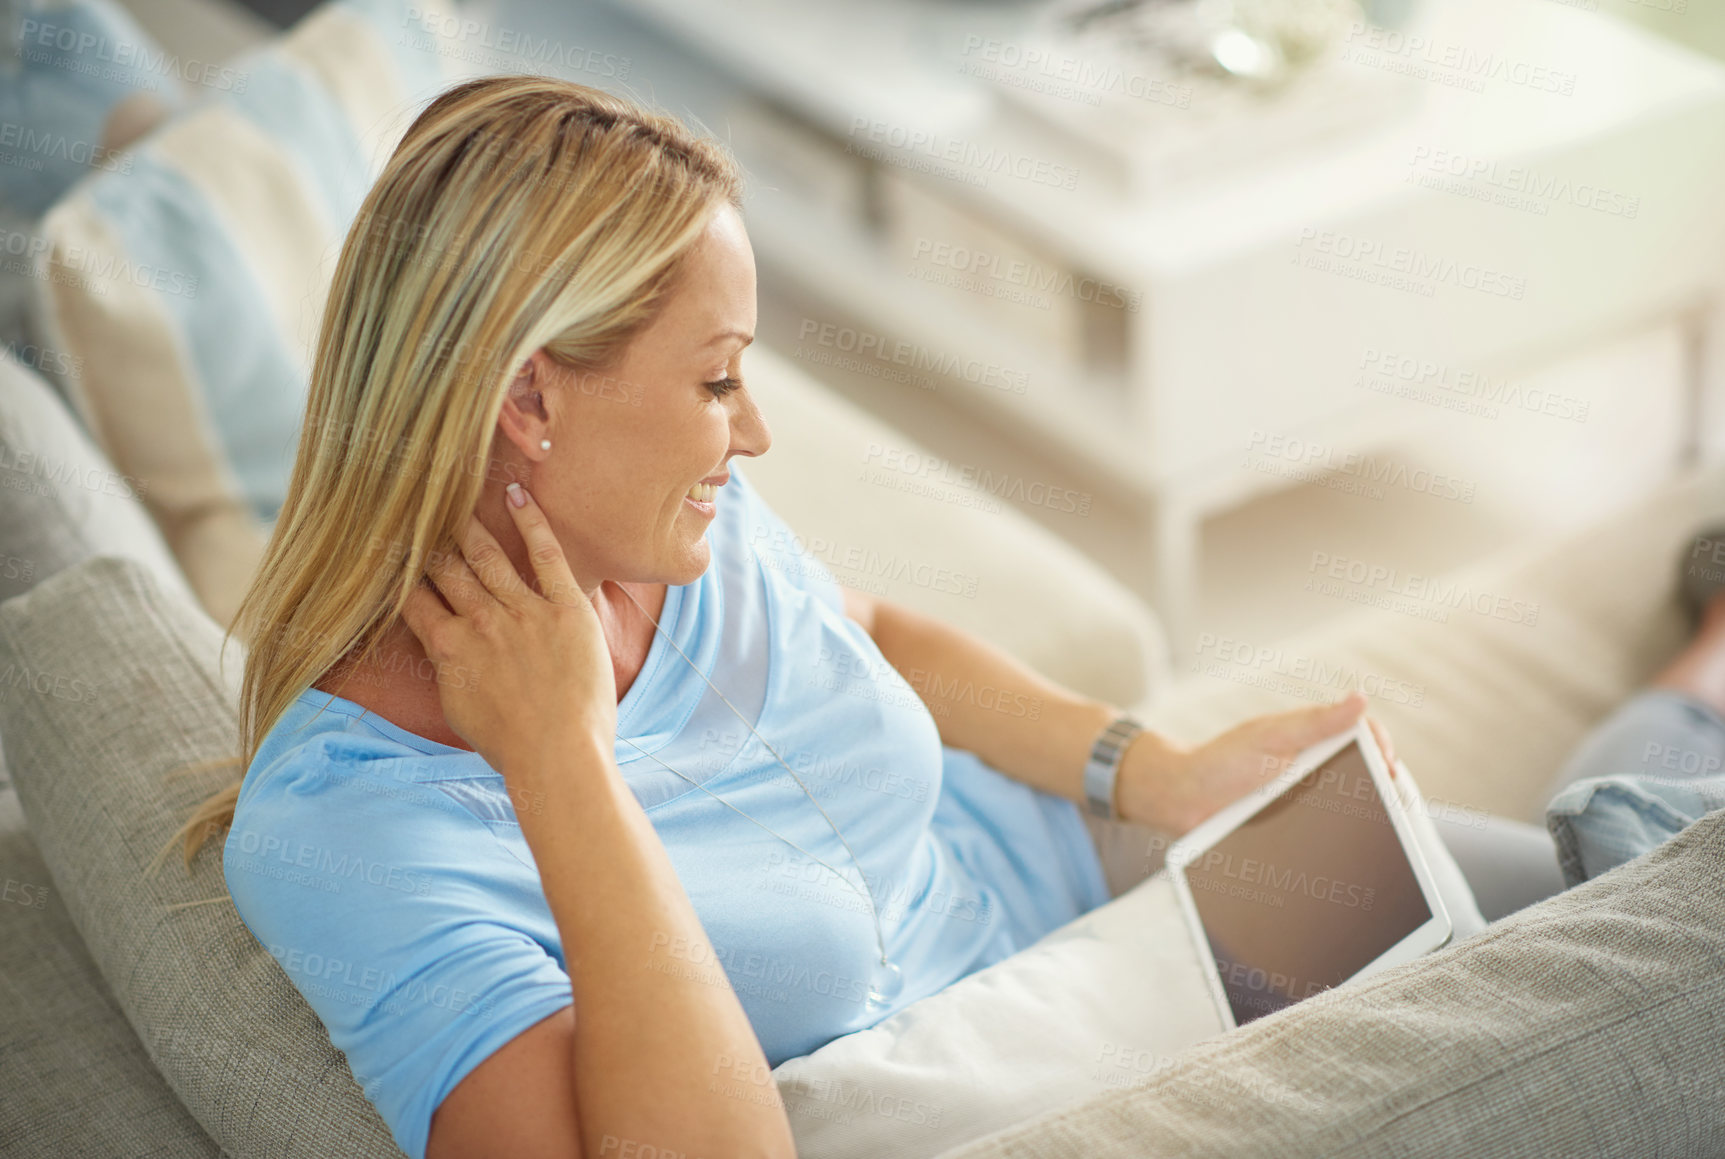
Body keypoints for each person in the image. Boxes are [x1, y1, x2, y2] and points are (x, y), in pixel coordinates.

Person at [163, 74, 1698, 1159]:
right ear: (527, 407)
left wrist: (1146, 770)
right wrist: (560, 751)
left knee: (1608, 877)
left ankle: (1682, 710)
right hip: (1095, 1065)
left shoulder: (652, 536)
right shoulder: (347, 827)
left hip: (1117, 897)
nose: (750, 434)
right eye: (713, 382)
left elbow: (876, 631)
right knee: (1650, 975)